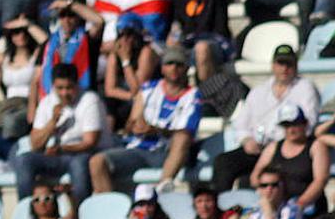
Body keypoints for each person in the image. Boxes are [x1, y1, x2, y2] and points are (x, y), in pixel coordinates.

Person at [89, 46, 200, 193]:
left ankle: (163, 185)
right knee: (97, 162)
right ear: (162, 68)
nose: (174, 68)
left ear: (186, 68)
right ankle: (111, 208)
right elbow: (131, 124)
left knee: (182, 137)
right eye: (169, 63)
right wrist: (134, 126)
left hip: (167, 151)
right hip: (139, 148)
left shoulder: (194, 95)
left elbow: (187, 132)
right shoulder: (148, 89)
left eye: (179, 64)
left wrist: (155, 130)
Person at [212, 45, 319, 193]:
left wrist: (276, 145)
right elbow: (241, 123)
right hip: (256, 147)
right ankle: (221, 210)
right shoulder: (259, 91)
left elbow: (308, 124)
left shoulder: (305, 88)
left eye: (289, 64)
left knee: (250, 180)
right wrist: (247, 140)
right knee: (223, 162)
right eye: (280, 63)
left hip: (285, 149)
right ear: (273, 65)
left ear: (296, 65)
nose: (284, 68)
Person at [16, 62, 107, 203]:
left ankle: (81, 210)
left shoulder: (89, 100)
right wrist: (52, 122)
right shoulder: (47, 102)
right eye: (60, 88)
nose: (64, 93)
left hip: (82, 154)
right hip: (56, 156)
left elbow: (90, 142)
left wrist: (61, 149)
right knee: (24, 160)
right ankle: (27, 211)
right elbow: (35, 144)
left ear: (77, 84)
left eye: (69, 88)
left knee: (79, 163)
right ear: (53, 86)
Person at [250, 105, 329, 217]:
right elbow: (255, 176)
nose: (291, 130)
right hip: (278, 208)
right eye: (286, 126)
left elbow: (320, 181)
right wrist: (266, 196)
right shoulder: (274, 147)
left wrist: (299, 204)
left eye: (295, 124)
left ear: (305, 124)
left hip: (308, 208)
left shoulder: (316, 146)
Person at [0, 20, 42, 151]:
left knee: (10, 121)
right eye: (16, 33)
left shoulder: (36, 56)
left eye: (24, 32)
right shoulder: (5, 59)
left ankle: (11, 154)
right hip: (8, 104)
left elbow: (45, 41)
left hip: (28, 103)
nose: (21, 36)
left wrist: (29, 24)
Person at [102, 13, 160, 130]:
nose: (125, 40)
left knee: (137, 104)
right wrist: (131, 97)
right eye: (122, 35)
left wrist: (125, 61)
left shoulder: (146, 52)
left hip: (149, 98)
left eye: (129, 35)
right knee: (108, 102)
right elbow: (109, 90)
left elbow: (138, 89)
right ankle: (109, 135)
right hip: (130, 97)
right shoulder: (115, 54)